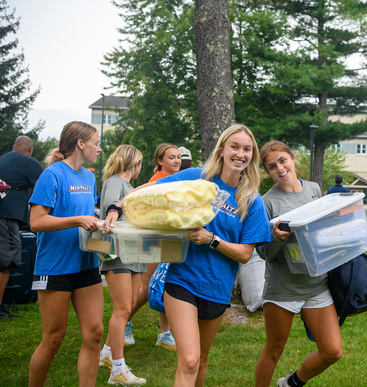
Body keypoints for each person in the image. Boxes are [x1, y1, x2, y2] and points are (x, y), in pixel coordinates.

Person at [103, 124, 270, 385]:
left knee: (202, 360)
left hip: (217, 289)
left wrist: (212, 240)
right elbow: (148, 191)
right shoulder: (197, 177)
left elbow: (245, 254)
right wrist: (116, 207)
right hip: (183, 281)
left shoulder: (251, 201)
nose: (240, 154)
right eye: (234, 147)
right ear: (223, 150)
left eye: (246, 149)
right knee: (189, 359)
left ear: (252, 155)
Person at [255, 140, 342, 387]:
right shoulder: (266, 202)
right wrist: (275, 237)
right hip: (283, 288)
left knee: (332, 351)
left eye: (282, 161)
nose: (280, 169)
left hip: (316, 285)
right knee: (274, 350)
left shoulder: (314, 189)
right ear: (267, 171)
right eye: (272, 166)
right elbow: (263, 253)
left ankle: (291, 383)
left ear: (292, 158)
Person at [27, 121, 104, 386]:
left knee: (95, 333)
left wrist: (102, 225)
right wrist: (77, 219)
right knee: (54, 338)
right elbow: (36, 221)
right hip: (55, 266)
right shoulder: (53, 174)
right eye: (96, 142)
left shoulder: (90, 176)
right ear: (80, 144)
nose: (100, 148)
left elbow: (87, 216)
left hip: (86, 264)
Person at [98, 145, 146, 385]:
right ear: (133, 162)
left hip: (135, 254)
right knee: (122, 310)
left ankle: (106, 352)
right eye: (140, 163)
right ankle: (117, 368)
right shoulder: (115, 182)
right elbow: (111, 209)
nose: (141, 168)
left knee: (129, 306)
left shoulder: (131, 187)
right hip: (118, 254)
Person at [125, 142, 181, 350]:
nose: (177, 161)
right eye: (171, 157)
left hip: (169, 238)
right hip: (154, 239)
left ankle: (164, 334)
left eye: (178, 157)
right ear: (159, 161)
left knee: (166, 285)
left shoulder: (173, 180)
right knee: (148, 287)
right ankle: (123, 322)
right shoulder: (157, 181)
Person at [0, 135, 43, 320]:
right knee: (5, 262)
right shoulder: (29, 163)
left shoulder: (3, 159)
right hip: (6, 216)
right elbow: (47, 186)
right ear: (29, 150)